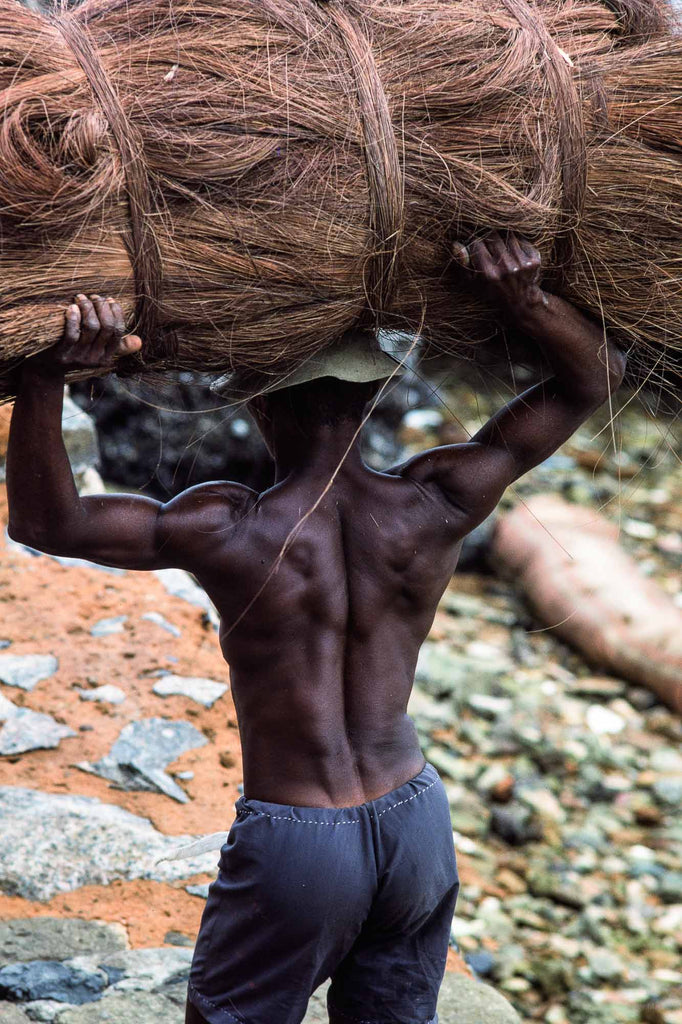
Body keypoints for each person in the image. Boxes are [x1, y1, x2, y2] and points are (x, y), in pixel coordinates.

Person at [6, 233, 626, 1024]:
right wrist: (528, 299)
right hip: (415, 819)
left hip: (300, 841)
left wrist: (43, 378)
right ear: (372, 400)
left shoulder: (229, 528)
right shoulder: (437, 502)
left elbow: (44, 521)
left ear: (259, 404)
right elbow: (594, 377)